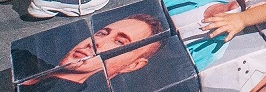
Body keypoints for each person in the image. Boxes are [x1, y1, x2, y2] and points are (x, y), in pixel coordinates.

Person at [21, 14, 165, 90]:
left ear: (133, 65)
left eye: (120, 42)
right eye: (102, 33)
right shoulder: (23, 57)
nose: (96, 43)